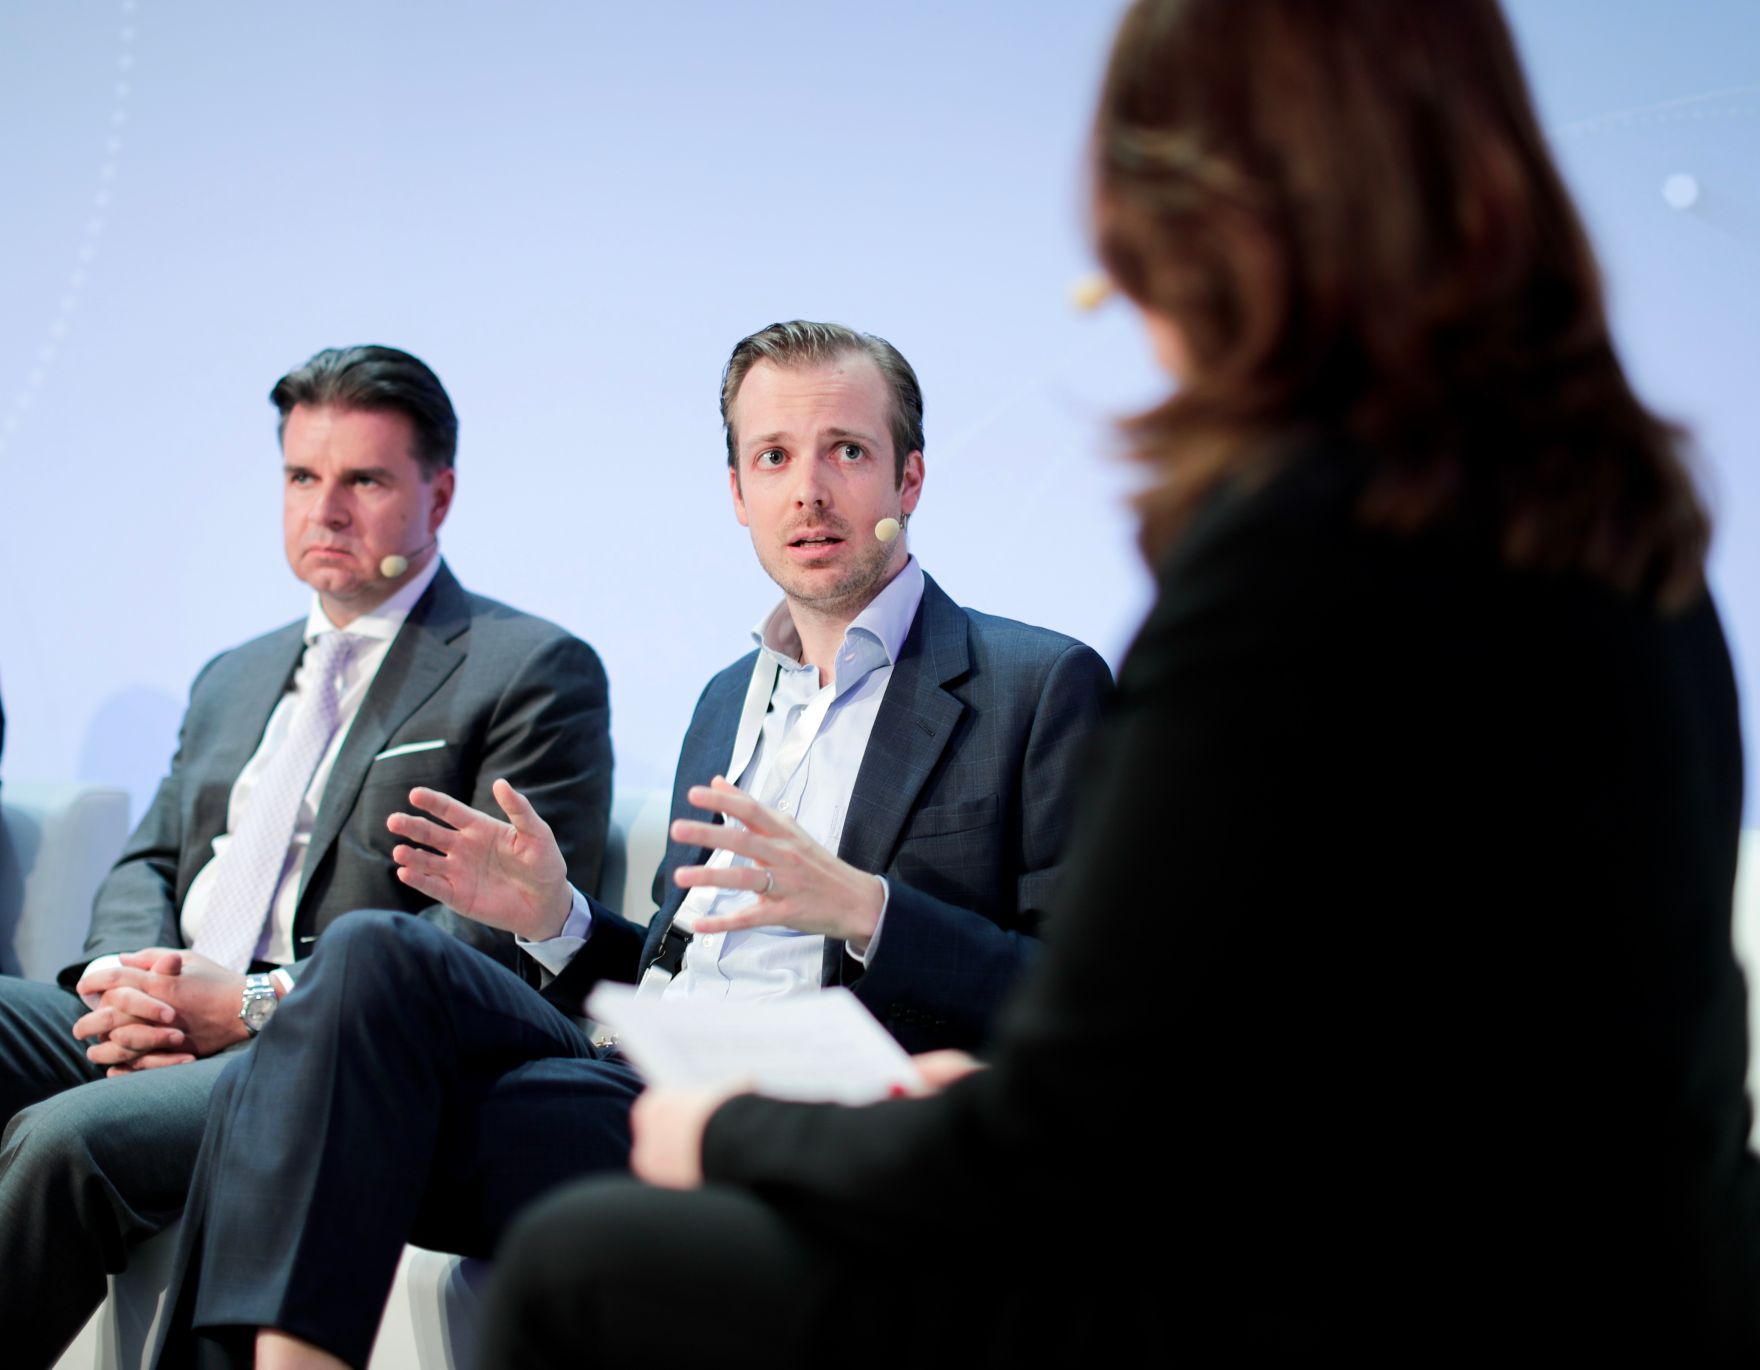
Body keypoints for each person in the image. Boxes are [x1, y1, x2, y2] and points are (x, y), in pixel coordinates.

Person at [479, 1, 1758, 1362]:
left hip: (1356, 1283)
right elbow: (1300, 1036)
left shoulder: (1274, 577)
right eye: (773, 456)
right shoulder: (1623, 533)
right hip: (1630, 1273)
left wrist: (737, 1126)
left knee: (584, 1258)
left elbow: (1089, 1133)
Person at [154, 320, 1112, 1369]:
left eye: (845, 450)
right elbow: (672, 971)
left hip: (815, 1123)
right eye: (772, 457)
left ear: (909, 476)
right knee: (368, 958)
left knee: (280, 1091)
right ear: (737, 492)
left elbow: (1078, 1004)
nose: (808, 492)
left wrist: (865, 908)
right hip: (638, 1087)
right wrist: (554, 917)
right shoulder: (724, 701)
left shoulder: (1032, 685)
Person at [0, 344, 613, 1367]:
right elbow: (149, 862)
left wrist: (250, 1002)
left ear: (439, 492)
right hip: (160, 1001)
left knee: (67, 1144)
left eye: (364, 480)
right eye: (301, 477)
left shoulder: (529, 668)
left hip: (311, 1040)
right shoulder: (231, 674)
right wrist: (125, 981)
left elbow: (489, 934)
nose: (325, 509)